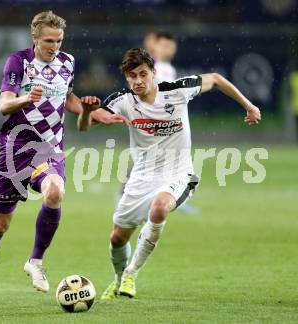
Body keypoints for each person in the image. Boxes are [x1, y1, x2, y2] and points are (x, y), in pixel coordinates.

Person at [79, 48, 261, 299]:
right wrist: (88, 113)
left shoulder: (177, 91)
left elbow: (217, 79)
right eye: (132, 76)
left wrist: (249, 106)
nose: (138, 81)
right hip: (141, 178)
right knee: (117, 238)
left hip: (179, 173)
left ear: (154, 73)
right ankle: (119, 279)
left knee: (160, 207)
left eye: (143, 74)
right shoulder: (122, 100)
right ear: (126, 78)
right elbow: (85, 128)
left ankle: (131, 273)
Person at [0, 11, 91, 293]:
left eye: (59, 40)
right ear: (35, 37)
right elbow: (4, 105)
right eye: (48, 40)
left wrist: (92, 112)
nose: (54, 46)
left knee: (54, 192)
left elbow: (68, 97)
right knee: (0, 224)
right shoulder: (19, 61)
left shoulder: (68, 62)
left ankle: (36, 260)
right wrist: (27, 98)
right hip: (15, 150)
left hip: (49, 148)